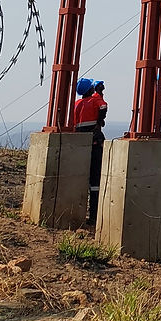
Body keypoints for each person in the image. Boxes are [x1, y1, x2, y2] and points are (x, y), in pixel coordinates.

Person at [74, 77, 108, 223]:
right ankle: (94, 215)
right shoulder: (94, 100)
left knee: (81, 178)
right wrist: (100, 121)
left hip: (79, 144)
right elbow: (103, 107)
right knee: (95, 179)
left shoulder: (76, 104)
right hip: (94, 143)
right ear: (91, 89)